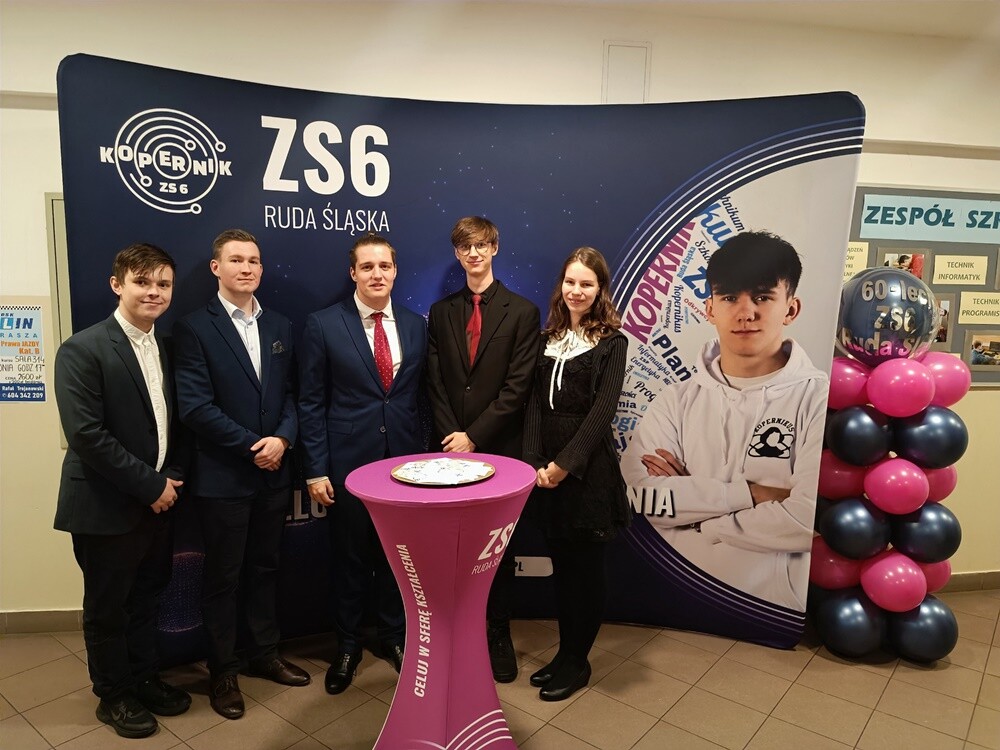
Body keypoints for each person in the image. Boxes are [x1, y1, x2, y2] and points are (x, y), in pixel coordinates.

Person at [620, 231, 827, 612]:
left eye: (762, 297)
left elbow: (809, 515)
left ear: (791, 309)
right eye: (730, 297)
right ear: (710, 308)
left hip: (773, 606)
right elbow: (642, 499)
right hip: (678, 596)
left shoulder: (818, 397)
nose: (745, 313)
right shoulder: (674, 401)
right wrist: (753, 493)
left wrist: (699, 515)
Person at [54, 243, 191, 738]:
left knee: (147, 599)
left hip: (160, 502)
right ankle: (113, 696)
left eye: (163, 284)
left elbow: (177, 422)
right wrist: (152, 485)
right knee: (108, 608)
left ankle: (144, 679)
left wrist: (172, 475)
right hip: (106, 505)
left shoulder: (168, 347)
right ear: (117, 284)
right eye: (142, 281)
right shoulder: (82, 349)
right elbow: (86, 435)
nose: (154, 292)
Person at [173, 229, 309, 720]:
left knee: (266, 569)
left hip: (273, 474)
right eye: (236, 260)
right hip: (224, 477)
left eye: (253, 260)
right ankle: (223, 670)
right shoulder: (193, 328)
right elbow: (195, 407)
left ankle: (264, 654)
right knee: (224, 579)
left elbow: (292, 394)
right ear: (216, 268)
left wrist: (284, 440)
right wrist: (255, 447)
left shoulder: (279, 324)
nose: (246, 268)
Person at [298, 233, 428, 694]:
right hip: (347, 467)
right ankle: (348, 646)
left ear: (395, 271)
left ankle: (393, 637)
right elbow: (311, 402)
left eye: (384, 266)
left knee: (398, 557)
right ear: (353, 273)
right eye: (367, 267)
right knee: (350, 560)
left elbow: (419, 399)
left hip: (404, 469)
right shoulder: (323, 324)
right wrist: (315, 469)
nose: (377, 274)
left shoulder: (415, 325)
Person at [426, 216, 540, 682]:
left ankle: (497, 632)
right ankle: (457, 632)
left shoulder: (523, 312)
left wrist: (474, 436)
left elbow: (518, 387)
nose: (473, 253)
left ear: (495, 247)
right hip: (448, 452)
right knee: (451, 548)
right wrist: (453, 436)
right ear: (457, 254)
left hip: (500, 452)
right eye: (464, 247)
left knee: (496, 550)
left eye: (481, 245)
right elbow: (434, 381)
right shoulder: (441, 312)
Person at [523, 247, 630, 701]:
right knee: (564, 571)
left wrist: (564, 466)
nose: (577, 291)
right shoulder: (546, 338)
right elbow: (533, 404)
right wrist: (534, 461)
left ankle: (578, 661)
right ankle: (564, 655)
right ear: (561, 285)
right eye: (570, 282)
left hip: (586, 473)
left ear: (600, 289)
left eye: (587, 283)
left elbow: (602, 412)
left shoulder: (612, 343)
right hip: (546, 473)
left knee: (585, 573)